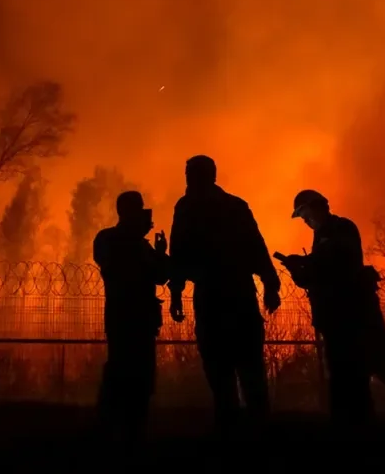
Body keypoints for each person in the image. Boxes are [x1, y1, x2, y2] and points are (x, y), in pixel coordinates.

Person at [167, 155, 281, 435]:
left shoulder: (187, 208)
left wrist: (177, 293)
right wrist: (270, 283)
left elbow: (179, 252)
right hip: (239, 295)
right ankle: (258, 429)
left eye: (191, 173)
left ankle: (230, 428)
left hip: (212, 297)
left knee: (220, 370)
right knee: (249, 368)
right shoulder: (235, 206)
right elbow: (257, 246)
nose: (188, 178)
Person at [280, 189, 385, 424]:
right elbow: (321, 273)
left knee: (373, 363)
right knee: (344, 371)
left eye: (305, 214)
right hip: (335, 317)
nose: (305, 220)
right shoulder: (323, 236)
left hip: (355, 314)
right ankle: (353, 418)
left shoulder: (342, 229)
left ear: (317, 207)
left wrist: (306, 263)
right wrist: (298, 271)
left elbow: (336, 264)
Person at [93, 191, 170, 443]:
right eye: (138, 209)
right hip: (124, 317)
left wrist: (159, 252)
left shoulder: (134, 243)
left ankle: (132, 428)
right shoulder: (110, 239)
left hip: (140, 319)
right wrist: (141, 242)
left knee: (141, 376)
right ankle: (112, 427)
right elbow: (115, 265)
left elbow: (160, 275)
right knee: (120, 372)